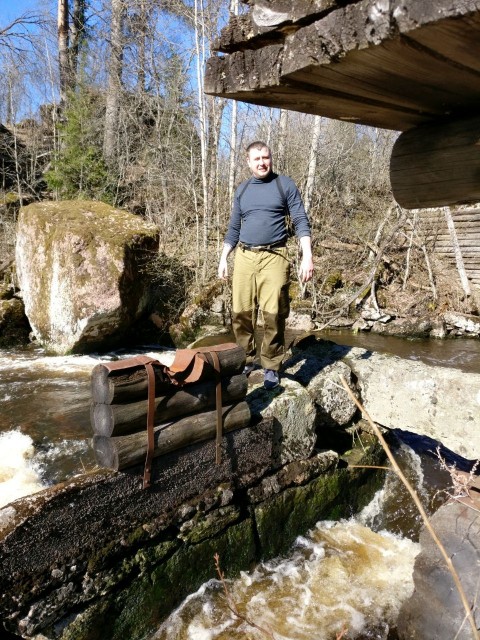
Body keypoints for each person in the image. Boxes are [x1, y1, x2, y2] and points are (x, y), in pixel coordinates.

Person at [218, 141, 314, 389]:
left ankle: (271, 366)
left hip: (275, 256)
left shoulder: (285, 185)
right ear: (248, 162)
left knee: (273, 315)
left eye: (266, 157)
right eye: (257, 159)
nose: (262, 162)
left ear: (271, 158)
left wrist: (307, 256)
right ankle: (246, 360)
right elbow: (234, 228)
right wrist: (223, 257)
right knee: (241, 313)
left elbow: (301, 220)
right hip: (244, 257)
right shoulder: (243, 190)